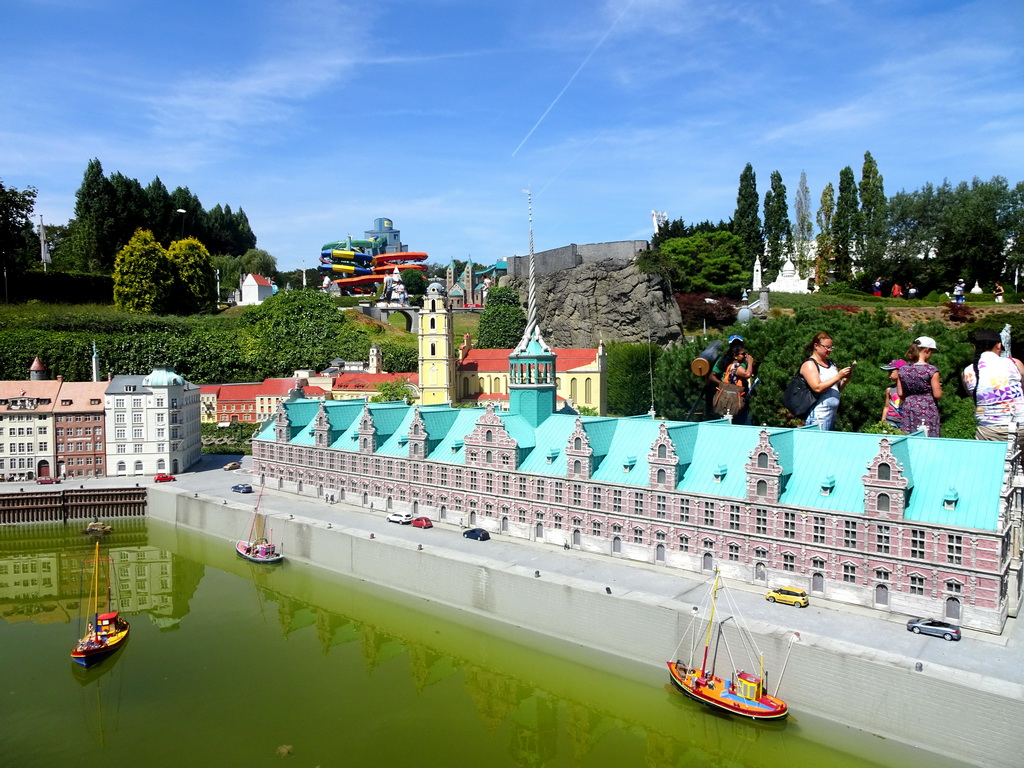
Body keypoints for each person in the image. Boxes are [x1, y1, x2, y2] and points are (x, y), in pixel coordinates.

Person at [962, 329, 1024, 445]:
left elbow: (975, 397)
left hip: (988, 431)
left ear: (975, 348)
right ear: (999, 345)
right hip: (1020, 426)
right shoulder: (1014, 363)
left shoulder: (967, 372)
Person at [799, 332, 853, 431]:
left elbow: (835, 389)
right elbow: (817, 387)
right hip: (818, 415)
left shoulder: (832, 364)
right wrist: (838, 376)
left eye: (831, 347)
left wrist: (844, 380)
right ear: (816, 346)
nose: (829, 350)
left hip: (831, 415)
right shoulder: (810, 364)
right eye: (827, 347)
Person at [897, 337, 942, 436]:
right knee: (927, 437)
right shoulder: (931, 370)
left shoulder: (902, 370)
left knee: (909, 437)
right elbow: (937, 394)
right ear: (927, 350)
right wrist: (936, 386)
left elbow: (900, 393)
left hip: (909, 406)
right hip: (927, 407)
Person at [709, 335, 755, 424]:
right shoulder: (733, 364)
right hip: (731, 398)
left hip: (741, 396)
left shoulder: (742, 362)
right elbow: (747, 374)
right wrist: (724, 386)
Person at [879, 359, 906, 430]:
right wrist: (882, 422)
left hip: (904, 422)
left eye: (891, 372)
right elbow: (886, 407)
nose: (889, 375)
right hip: (890, 420)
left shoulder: (908, 389)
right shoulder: (889, 389)